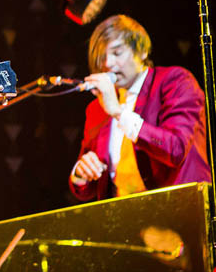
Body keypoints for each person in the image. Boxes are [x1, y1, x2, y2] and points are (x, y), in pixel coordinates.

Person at [70, 14, 211, 201]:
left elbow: (176, 149)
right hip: (123, 218)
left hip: (180, 208)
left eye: (117, 53)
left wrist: (118, 112)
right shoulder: (98, 107)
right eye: (102, 57)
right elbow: (89, 189)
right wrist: (81, 175)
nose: (107, 64)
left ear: (142, 52)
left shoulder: (175, 81)